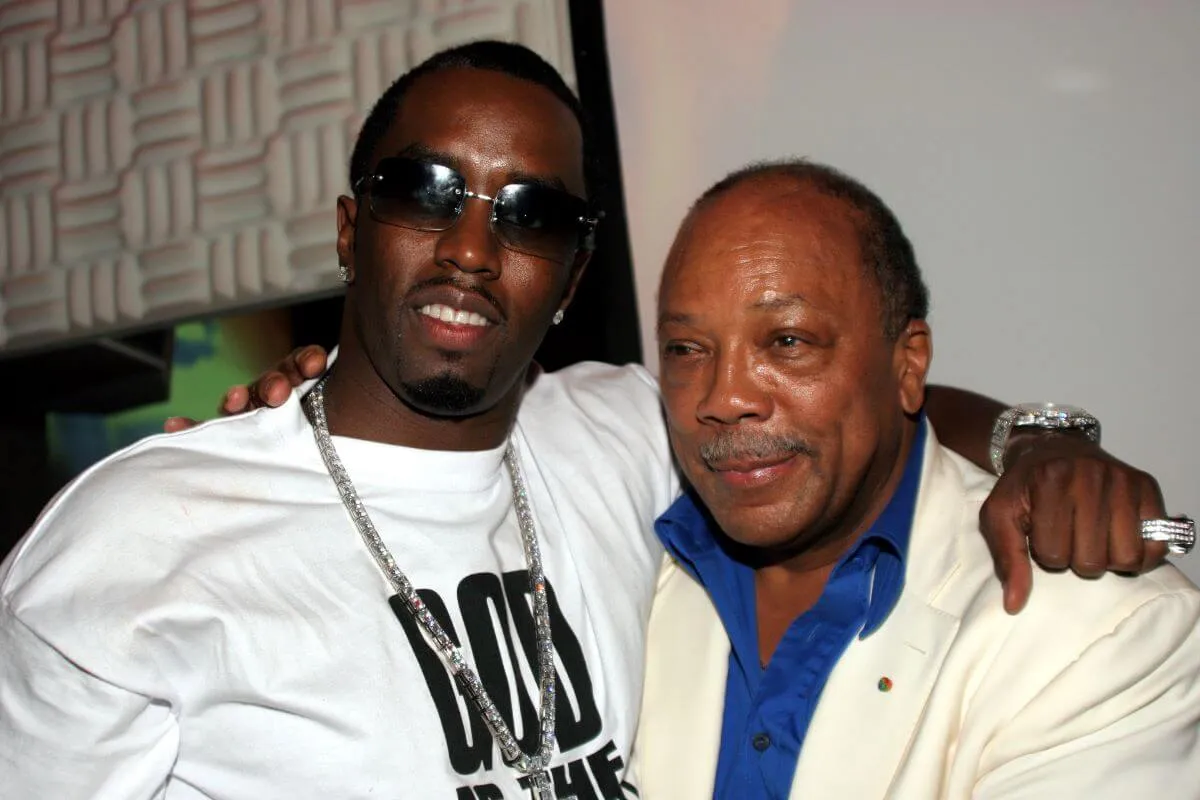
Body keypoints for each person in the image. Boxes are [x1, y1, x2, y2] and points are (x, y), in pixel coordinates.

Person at [0, 41, 1175, 800]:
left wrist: (1041, 439)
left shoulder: (625, 424)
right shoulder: (136, 542)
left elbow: (859, 415)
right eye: (426, 192)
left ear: (568, 279)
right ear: (354, 229)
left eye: (530, 214)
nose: (470, 246)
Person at [632, 160, 1200, 798]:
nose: (724, 396)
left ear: (908, 363)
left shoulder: (1103, 634)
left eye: (788, 341)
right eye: (686, 349)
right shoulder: (628, 558)